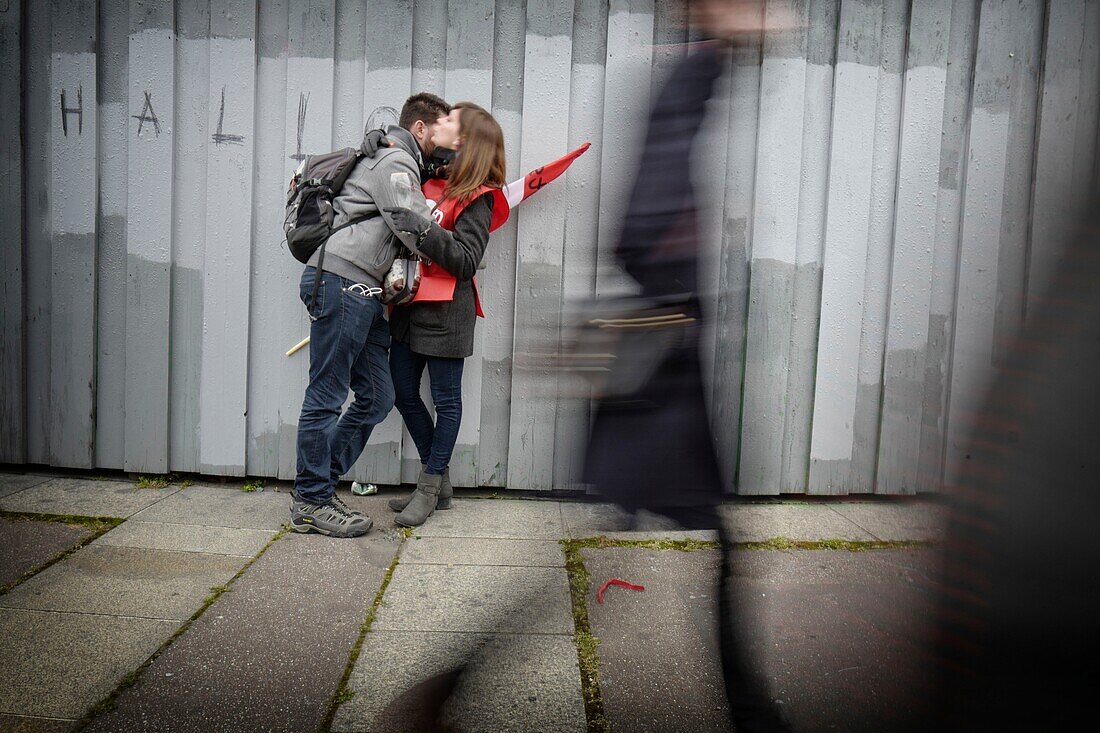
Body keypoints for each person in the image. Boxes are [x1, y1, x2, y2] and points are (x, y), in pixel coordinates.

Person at [581, 2, 793, 730]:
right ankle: (751, 712)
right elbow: (640, 225)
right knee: (699, 530)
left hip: (663, 344)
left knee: (651, 521)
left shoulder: (685, 83)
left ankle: (750, 709)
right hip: (663, 352)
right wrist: (674, 302)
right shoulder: (679, 83)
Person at [290, 93, 450, 539]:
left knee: (377, 396)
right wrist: (457, 252)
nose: (449, 142)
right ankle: (311, 500)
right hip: (343, 284)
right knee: (326, 394)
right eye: (444, 131)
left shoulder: (402, 162)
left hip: (362, 292)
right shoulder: (393, 160)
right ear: (419, 128)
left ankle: (320, 484)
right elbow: (412, 220)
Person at [378, 101, 508, 528]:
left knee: (447, 402)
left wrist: (423, 228)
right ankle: (442, 482)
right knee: (402, 392)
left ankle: (429, 485)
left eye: (449, 120)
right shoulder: (428, 177)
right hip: (410, 307)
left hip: (450, 312)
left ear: (466, 139)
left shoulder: (481, 196)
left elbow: (467, 260)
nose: (441, 124)